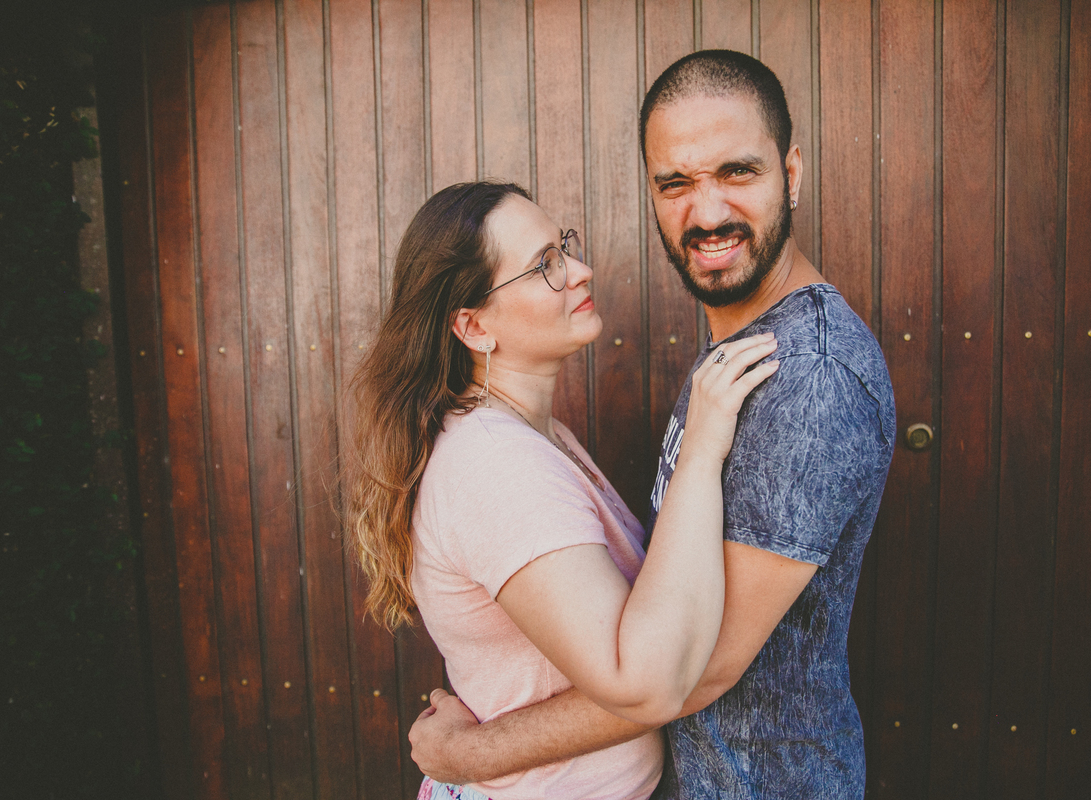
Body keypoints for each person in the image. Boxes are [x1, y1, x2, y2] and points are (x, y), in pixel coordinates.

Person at [407, 50, 895, 799]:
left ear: (790, 174)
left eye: (738, 172)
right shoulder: (737, 350)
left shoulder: (809, 375)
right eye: (676, 183)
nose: (706, 213)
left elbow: (694, 669)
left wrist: (471, 754)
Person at [346, 180, 781, 800]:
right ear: (473, 326)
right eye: (544, 266)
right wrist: (703, 449)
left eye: (564, 247)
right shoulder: (494, 465)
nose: (581, 270)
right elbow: (646, 682)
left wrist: (465, 752)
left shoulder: (532, 437)